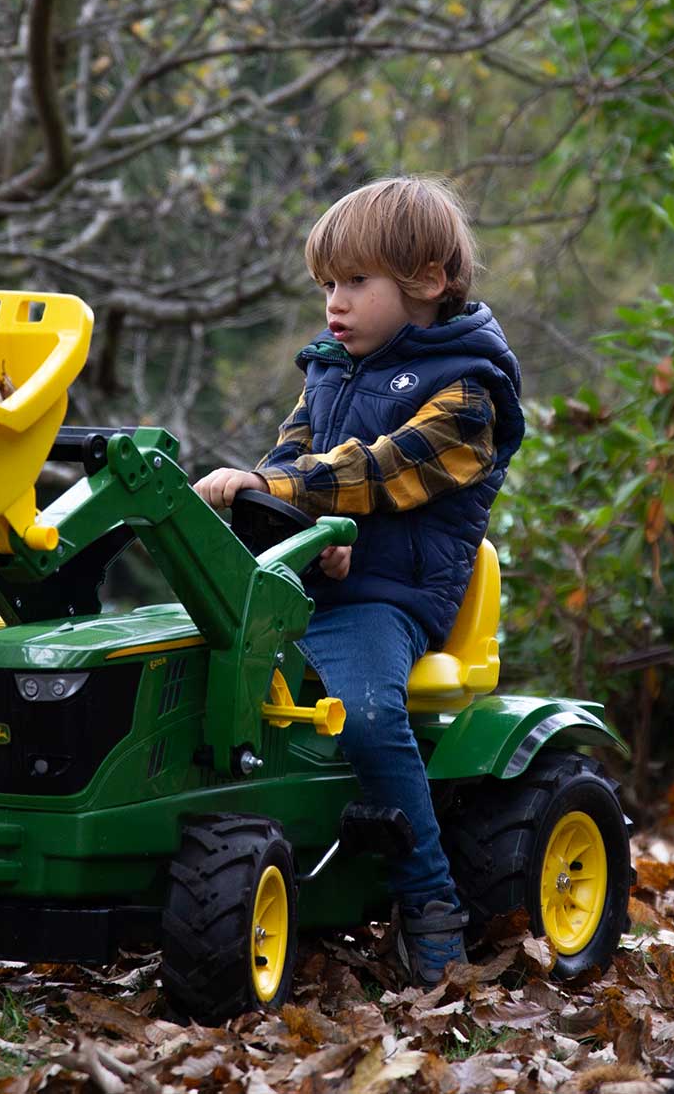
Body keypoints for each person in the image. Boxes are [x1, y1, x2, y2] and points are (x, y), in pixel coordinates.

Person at [192, 175, 525, 985]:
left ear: (429, 282)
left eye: (355, 283)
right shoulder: (330, 371)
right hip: (312, 584)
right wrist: (289, 520)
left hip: (390, 601)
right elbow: (288, 462)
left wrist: (279, 493)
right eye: (327, 285)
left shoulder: (471, 396)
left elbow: (378, 473)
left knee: (372, 717)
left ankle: (430, 896)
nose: (334, 303)